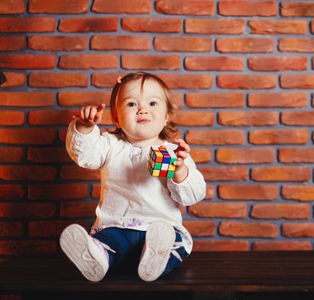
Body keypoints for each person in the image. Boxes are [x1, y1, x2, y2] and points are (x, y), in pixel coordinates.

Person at [60, 72, 206, 282]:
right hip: (118, 227)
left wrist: (180, 171)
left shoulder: (173, 153)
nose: (142, 109)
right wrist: (85, 127)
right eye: (131, 104)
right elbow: (84, 156)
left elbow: (193, 195)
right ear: (117, 118)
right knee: (106, 242)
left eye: (153, 103)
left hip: (160, 230)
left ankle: (156, 260)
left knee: (176, 243)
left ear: (166, 116)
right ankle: (97, 259)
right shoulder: (109, 145)